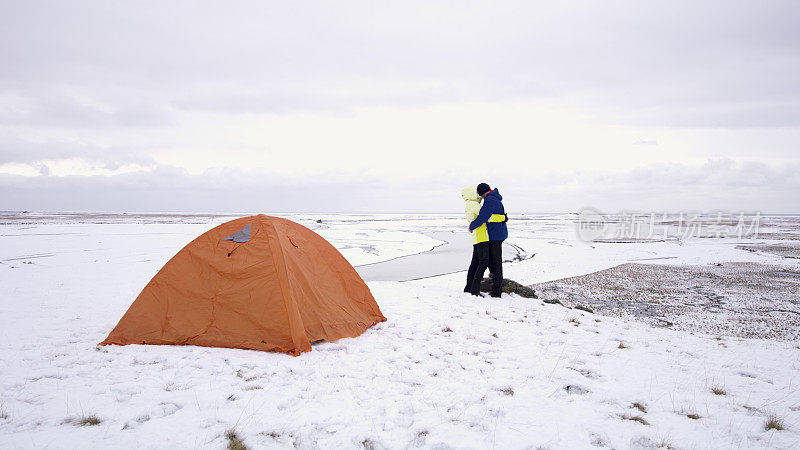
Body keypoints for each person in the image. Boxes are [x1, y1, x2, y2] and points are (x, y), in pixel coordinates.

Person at [468, 183, 508, 297]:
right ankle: (496, 289)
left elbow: (483, 216)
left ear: (481, 193)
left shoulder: (490, 200)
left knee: (496, 263)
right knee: (494, 262)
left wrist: (472, 226)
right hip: (497, 234)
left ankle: (496, 292)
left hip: (495, 236)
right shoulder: (495, 198)